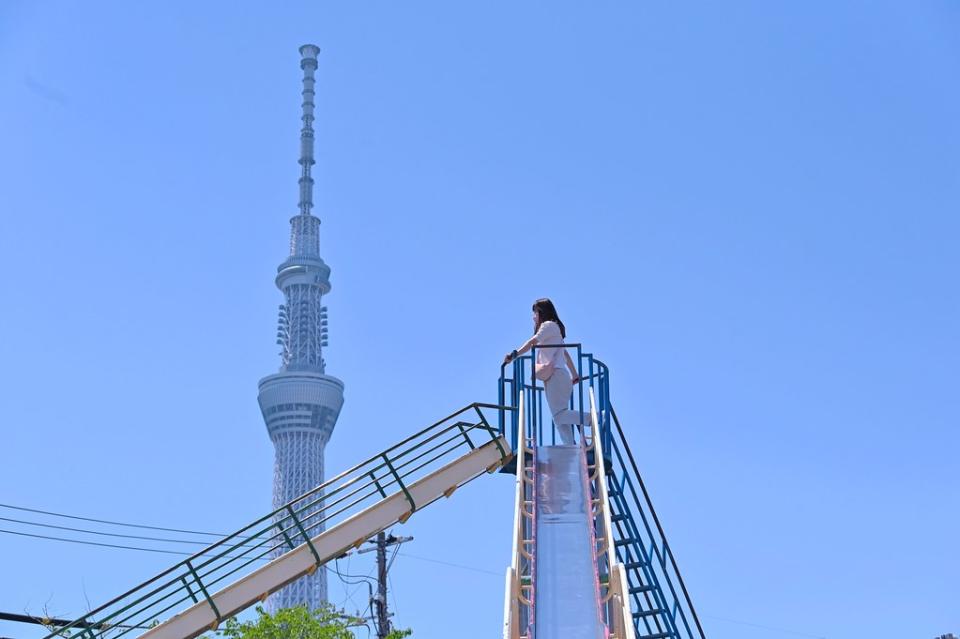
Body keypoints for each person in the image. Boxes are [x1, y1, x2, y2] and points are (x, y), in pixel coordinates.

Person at [503, 298, 582, 445]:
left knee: (559, 416)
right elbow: (564, 353)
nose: (533, 317)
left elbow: (532, 342)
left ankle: (593, 418)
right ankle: (570, 446)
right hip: (558, 376)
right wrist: (575, 374)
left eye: (535, 313)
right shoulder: (554, 328)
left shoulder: (548, 325)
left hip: (556, 376)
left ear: (541, 312)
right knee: (559, 416)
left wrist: (514, 355)